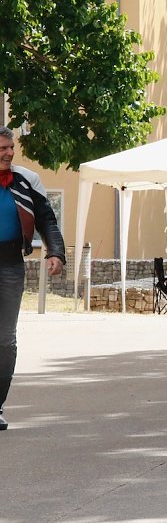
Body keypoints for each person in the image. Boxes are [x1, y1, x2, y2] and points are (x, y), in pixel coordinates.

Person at [0, 126, 65, 430]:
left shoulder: (26, 180)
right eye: (2, 148)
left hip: (10, 264)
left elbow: (46, 219)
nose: (9, 153)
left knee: (5, 340)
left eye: (11, 148)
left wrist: (56, 252)